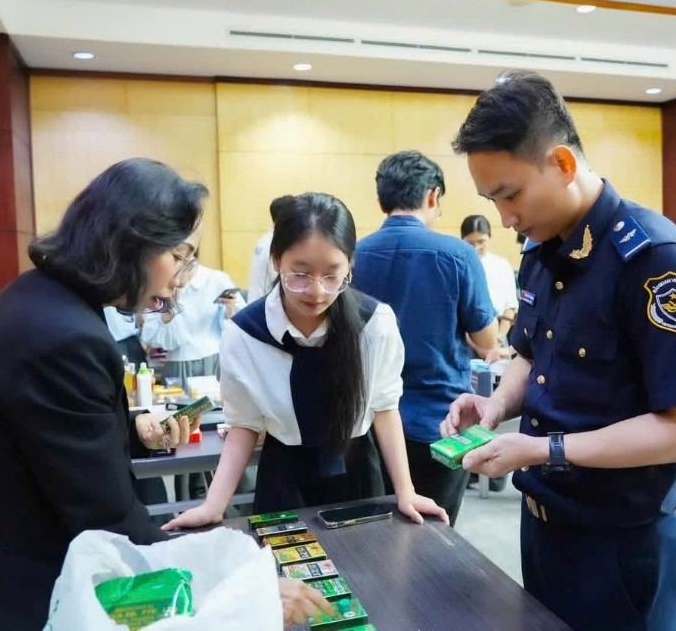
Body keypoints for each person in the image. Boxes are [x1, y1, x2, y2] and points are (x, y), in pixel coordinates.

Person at [0, 159, 329, 631]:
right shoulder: (65, 337)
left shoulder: (39, 297)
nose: (178, 279)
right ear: (133, 244)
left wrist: (134, 431)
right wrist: (242, 590)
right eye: (179, 256)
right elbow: (111, 523)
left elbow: (51, 438)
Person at [442, 70, 676, 631]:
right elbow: (531, 353)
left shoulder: (654, 260)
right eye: (492, 200)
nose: (505, 219)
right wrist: (496, 407)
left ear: (562, 163)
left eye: (511, 195)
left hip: (620, 547)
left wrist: (545, 449)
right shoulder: (542, 248)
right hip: (543, 528)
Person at [164, 192, 448, 530]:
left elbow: (385, 409)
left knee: (367, 561)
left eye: (332, 275)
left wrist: (406, 491)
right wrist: (214, 505)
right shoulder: (245, 333)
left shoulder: (374, 323)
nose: (317, 291)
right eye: (300, 274)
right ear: (276, 261)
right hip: (283, 476)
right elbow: (244, 424)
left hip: (358, 472)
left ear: (350, 265)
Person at [352, 151, 498, 526]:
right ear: (433, 196)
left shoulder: (352, 256)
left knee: (374, 532)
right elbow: (487, 341)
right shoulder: (459, 255)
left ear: (381, 199)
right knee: (436, 533)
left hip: (367, 422)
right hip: (441, 420)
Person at [141, 241, 245, 384]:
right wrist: (169, 312)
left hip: (212, 358)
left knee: (215, 397)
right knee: (178, 399)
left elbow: (237, 326)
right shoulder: (161, 282)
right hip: (177, 362)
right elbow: (150, 334)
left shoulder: (216, 279)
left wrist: (230, 309)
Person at [460, 214, 518, 347]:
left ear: (490, 238)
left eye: (481, 241)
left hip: (499, 334)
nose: (476, 247)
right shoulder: (459, 266)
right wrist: (476, 347)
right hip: (467, 338)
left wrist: (499, 339)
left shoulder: (502, 265)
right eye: (470, 243)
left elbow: (510, 306)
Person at [248, 194, 295, 303]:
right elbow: (284, 281)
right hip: (265, 305)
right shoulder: (276, 243)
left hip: (257, 302)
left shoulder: (265, 239)